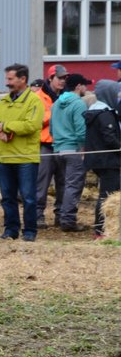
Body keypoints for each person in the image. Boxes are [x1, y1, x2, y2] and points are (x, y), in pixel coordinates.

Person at [0, 63, 45, 241]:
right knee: (7, 198)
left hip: (25, 158)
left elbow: (32, 125)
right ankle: (11, 230)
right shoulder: (4, 101)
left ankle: (29, 232)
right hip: (5, 157)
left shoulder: (34, 101)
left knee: (28, 198)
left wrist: (5, 127)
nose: (7, 82)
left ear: (23, 79)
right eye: (7, 79)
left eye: (10, 79)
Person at [50, 73, 90, 231]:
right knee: (74, 186)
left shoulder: (56, 103)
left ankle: (60, 216)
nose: (86, 88)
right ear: (79, 86)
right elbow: (81, 131)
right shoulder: (79, 104)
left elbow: (52, 129)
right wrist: (82, 148)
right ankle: (68, 221)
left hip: (58, 149)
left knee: (63, 185)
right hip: (73, 149)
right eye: (85, 85)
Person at [83, 80, 121, 238]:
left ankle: (104, 228)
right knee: (107, 195)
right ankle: (100, 230)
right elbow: (109, 137)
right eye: (116, 93)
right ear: (108, 94)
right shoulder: (105, 114)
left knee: (107, 193)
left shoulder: (94, 111)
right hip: (107, 160)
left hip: (98, 159)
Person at [35, 64, 67, 224]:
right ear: (50, 78)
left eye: (64, 78)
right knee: (42, 184)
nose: (62, 81)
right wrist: (53, 111)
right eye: (60, 78)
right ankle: (38, 216)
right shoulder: (38, 97)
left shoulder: (66, 97)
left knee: (62, 183)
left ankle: (60, 215)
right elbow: (36, 122)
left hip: (62, 145)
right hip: (45, 145)